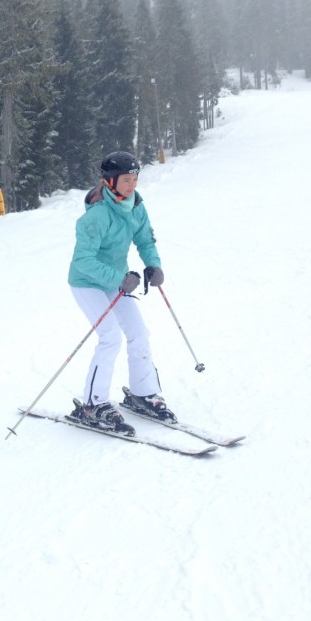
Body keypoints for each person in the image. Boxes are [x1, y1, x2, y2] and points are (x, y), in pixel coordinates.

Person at [67, 150, 173, 436]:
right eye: (126, 180)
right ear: (110, 181)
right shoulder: (97, 216)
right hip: (87, 283)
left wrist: (153, 265)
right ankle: (94, 403)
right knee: (110, 336)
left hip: (117, 281)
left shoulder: (136, 205)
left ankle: (143, 393)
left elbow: (145, 238)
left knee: (139, 333)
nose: (132, 185)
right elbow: (83, 261)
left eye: (135, 178)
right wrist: (119, 278)